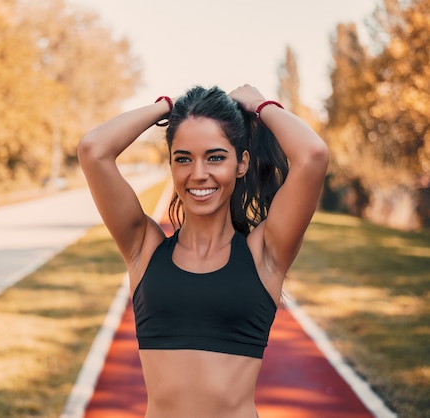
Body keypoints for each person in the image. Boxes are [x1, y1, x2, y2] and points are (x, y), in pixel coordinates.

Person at [77, 84, 329, 418]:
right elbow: (93, 149)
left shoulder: (264, 255)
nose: (198, 174)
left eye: (215, 157)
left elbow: (313, 154)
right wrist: (167, 107)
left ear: (241, 164)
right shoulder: (144, 248)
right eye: (183, 159)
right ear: (171, 165)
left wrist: (257, 105)